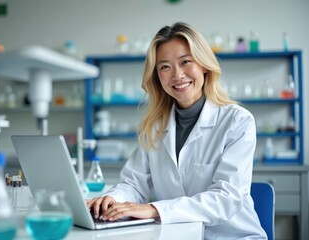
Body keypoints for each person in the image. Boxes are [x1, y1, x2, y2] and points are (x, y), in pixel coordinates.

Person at [87, 22, 267, 239]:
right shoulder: (154, 126)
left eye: (185, 62)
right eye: (165, 66)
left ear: (203, 65)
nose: (177, 75)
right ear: (157, 76)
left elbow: (227, 198)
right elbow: (134, 183)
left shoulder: (237, 122)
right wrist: (113, 199)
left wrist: (155, 209)